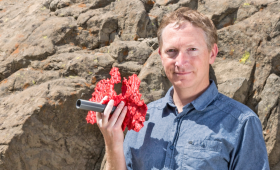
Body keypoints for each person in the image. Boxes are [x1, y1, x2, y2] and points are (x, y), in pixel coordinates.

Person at [95, 7, 270, 170]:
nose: (180, 62)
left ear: (212, 53)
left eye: (192, 49)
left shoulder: (242, 123)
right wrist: (113, 144)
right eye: (171, 51)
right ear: (161, 56)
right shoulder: (143, 119)